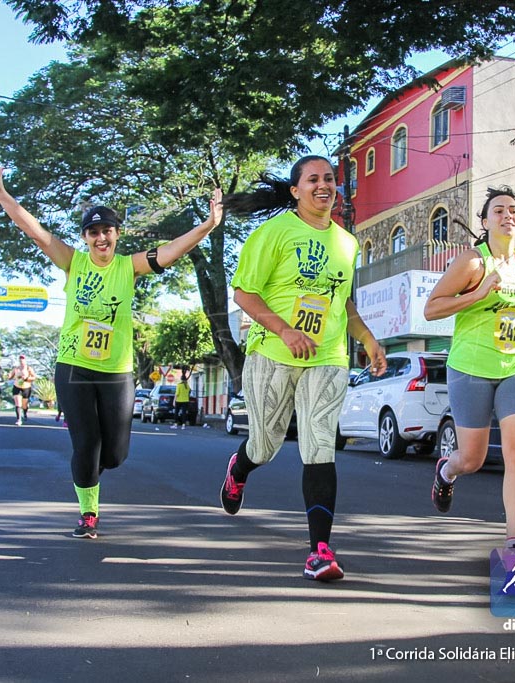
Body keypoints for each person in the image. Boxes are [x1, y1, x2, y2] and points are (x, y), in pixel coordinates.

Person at [0, 159, 222, 539]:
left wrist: (208, 225)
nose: (101, 238)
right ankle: (88, 513)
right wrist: (1, 194)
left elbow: (170, 251)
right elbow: (36, 232)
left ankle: (93, 478)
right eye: (93, 232)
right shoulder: (73, 263)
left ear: (116, 234)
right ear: (85, 237)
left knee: (114, 454)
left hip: (116, 370)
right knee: (86, 443)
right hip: (74, 365)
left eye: (107, 231)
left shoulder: (129, 267)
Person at [219, 155, 387, 581]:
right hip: (273, 354)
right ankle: (239, 469)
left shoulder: (347, 244)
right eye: (313, 179)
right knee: (266, 446)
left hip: (327, 356)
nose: (323, 185)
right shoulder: (273, 232)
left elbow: (343, 302)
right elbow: (244, 294)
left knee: (319, 446)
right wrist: (285, 330)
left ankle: (320, 551)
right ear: (295, 190)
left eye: (329, 179)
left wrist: (367, 339)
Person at [424, 186, 515, 549]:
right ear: (485, 222)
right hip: (471, 366)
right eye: (499, 210)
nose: (507, 215)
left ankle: (514, 539)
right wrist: (476, 293)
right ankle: (447, 470)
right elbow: (432, 308)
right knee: (472, 459)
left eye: (513, 210)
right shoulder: (473, 262)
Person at [7, 355, 37, 425]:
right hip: (17, 387)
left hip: (26, 388)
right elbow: (10, 377)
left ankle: (25, 412)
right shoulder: (16, 369)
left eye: (23, 359)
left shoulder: (29, 368)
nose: (21, 361)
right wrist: (8, 376)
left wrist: (26, 378)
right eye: (20, 359)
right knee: (18, 403)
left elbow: (34, 377)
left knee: (24, 405)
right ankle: (19, 419)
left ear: (25, 360)